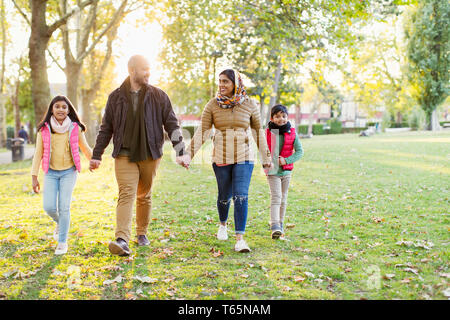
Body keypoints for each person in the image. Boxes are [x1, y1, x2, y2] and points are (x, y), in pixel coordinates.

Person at [89, 55, 189, 257]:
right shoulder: (115, 97)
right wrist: (97, 154)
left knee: (144, 195)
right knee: (126, 193)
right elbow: (106, 128)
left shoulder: (159, 96)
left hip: (150, 153)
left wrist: (181, 151)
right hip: (124, 154)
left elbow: (172, 124)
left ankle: (141, 233)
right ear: (131, 70)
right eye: (144, 69)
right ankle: (122, 239)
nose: (148, 73)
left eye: (149, 68)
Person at [186, 69, 273, 252]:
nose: (221, 85)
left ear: (236, 83)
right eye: (220, 81)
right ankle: (223, 224)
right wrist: (188, 154)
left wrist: (266, 157)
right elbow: (203, 131)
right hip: (222, 156)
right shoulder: (212, 105)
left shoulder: (249, 104)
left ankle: (240, 239)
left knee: (241, 194)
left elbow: (258, 132)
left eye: (225, 81)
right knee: (224, 196)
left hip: (244, 157)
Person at [31, 95, 93, 255]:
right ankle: (61, 223)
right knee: (49, 206)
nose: (60, 109)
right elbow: (38, 154)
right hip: (50, 172)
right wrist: (34, 176)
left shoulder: (74, 128)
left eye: (64, 107)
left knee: (64, 207)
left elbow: (85, 148)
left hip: (68, 172)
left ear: (68, 110)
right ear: (52, 109)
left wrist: (94, 159)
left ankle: (62, 242)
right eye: (57, 106)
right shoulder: (44, 130)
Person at [265, 104, 303, 239]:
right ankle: (274, 224)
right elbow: (262, 150)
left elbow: (300, 152)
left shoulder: (291, 132)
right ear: (272, 118)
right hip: (272, 171)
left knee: (284, 197)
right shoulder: (268, 132)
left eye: (283, 116)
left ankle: (280, 224)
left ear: (287, 117)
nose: (281, 119)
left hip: (286, 172)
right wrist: (266, 160)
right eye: (277, 116)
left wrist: (286, 160)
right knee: (276, 197)